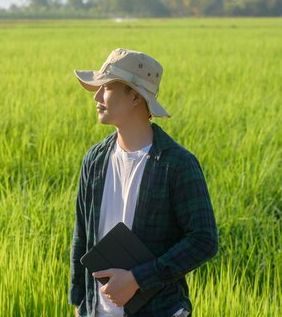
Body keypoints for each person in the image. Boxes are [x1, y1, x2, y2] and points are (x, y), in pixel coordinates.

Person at [69, 48, 218, 317]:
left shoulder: (177, 164)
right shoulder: (94, 159)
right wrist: (79, 303)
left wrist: (138, 279)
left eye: (107, 87)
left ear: (136, 96)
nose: (97, 95)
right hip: (98, 311)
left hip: (160, 310)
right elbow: (82, 236)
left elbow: (203, 240)